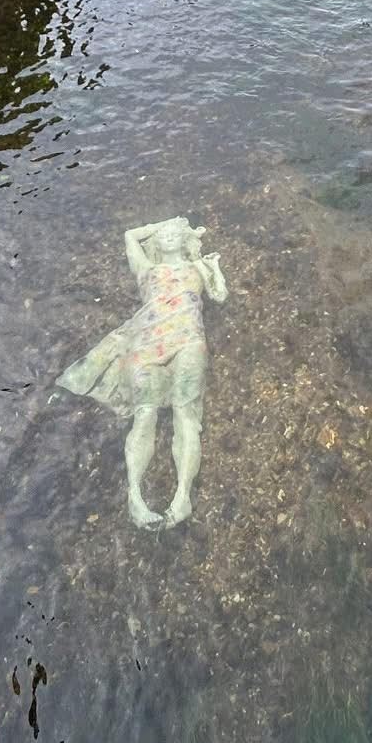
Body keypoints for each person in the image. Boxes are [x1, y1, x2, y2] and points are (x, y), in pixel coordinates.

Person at [56, 216, 227, 529]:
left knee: (185, 412)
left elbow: (219, 295)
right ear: (156, 242)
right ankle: (135, 496)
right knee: (144, 413)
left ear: (185, 240)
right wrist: (167, 222)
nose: (170, 236)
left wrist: (213, 267)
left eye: (176, 233)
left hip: (189, 340)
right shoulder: (146, 269)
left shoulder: (198, 267)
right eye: (164, 235)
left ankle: (182, 496)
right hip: (146, 343)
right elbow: (129, 235)